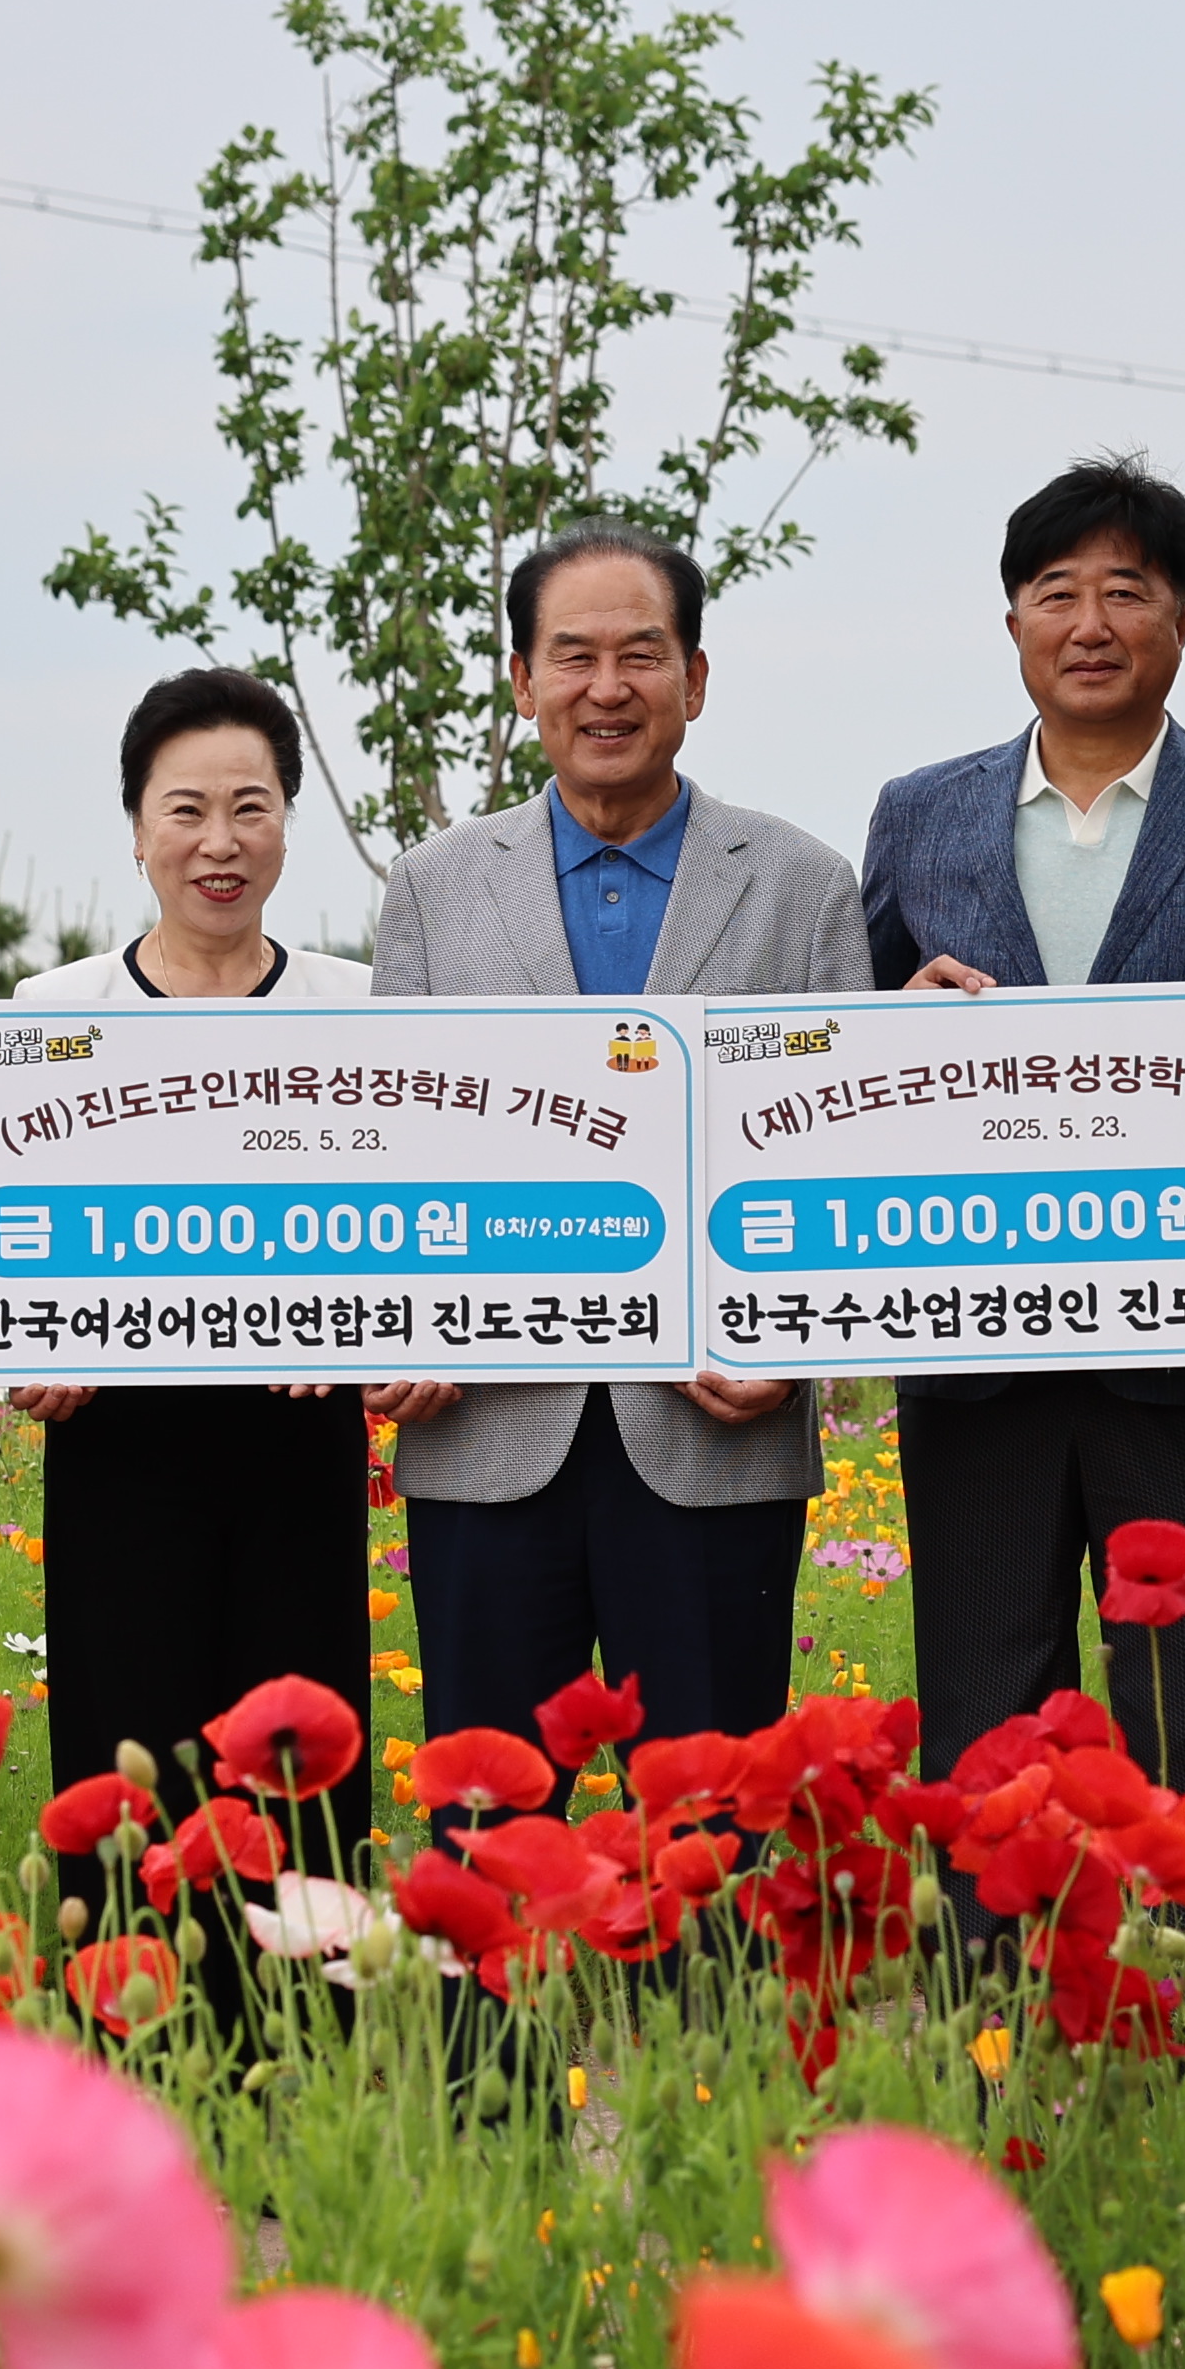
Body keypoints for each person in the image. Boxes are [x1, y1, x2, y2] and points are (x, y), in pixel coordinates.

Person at [857, 455, 1185, 1783]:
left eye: (1125, 593)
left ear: (1181, 623)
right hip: (971, 1343)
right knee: (984, 1712)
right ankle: (993, 1992)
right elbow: (843, 1075)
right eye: (1055, 592)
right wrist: (895, 1019)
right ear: (1012, 620)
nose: (1089, 624)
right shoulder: (920, 816)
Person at [366, 520, 865, 1755]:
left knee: (710, 1820)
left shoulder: (803, 885)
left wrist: (797, 1350)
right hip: (483, 1431)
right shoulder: (432, 886)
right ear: (522, 680)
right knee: (488, 1823)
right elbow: (388, 1145)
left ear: (695, 679)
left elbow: (849, 1167)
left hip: (716, 1431)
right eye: (571, 655)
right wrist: (393, 1329)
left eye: (641, 654)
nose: (607, 687)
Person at [7, 667, 382, 1892]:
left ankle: (311, 2042)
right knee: (130, 1768)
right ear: (136, 829)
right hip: (121, 1447)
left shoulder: (367, 1007)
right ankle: (135, 2040)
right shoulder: (48, 1012)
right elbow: (7, 1243)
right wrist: (22, 1360)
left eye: (251, 806)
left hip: (303, 1441)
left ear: (286, 821)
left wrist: (386, 1339)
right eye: (185, 809)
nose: (219, 842)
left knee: (299, 1758)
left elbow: (407, 1242)